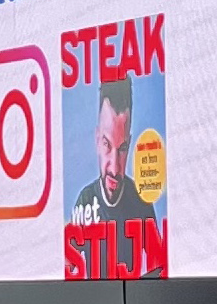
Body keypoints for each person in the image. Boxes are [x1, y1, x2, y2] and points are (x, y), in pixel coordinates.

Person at [68, 76, 158, 267]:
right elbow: (62, 268)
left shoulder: (141, 202)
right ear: (97, 140)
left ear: (130, 144)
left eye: (122, 148)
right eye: (107, 144)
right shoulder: (85, 201)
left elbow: (159, 269)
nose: (114, 167)